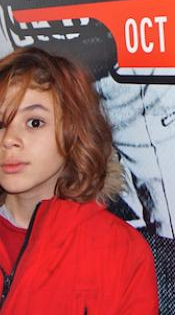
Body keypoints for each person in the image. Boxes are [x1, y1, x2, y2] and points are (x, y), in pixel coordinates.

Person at [0, 47, 158, 313]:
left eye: (34, 123)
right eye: (0, 123)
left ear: (74, 132)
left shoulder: (122, 250)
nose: (8, 140)